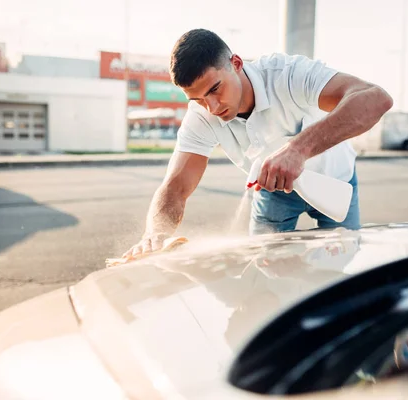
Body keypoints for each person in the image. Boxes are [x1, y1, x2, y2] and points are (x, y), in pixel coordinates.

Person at [122, 29, 392, 260]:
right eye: (198, 99)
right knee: (264, 278)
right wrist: (155, 233)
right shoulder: (201, 116)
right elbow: (176, 186)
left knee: (342, 274)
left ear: (236, 63)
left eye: (215, 89)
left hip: (335, 183)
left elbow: (376, 98)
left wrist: (298, 149)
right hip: (272, 192)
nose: (212, 107)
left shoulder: (288, 74)